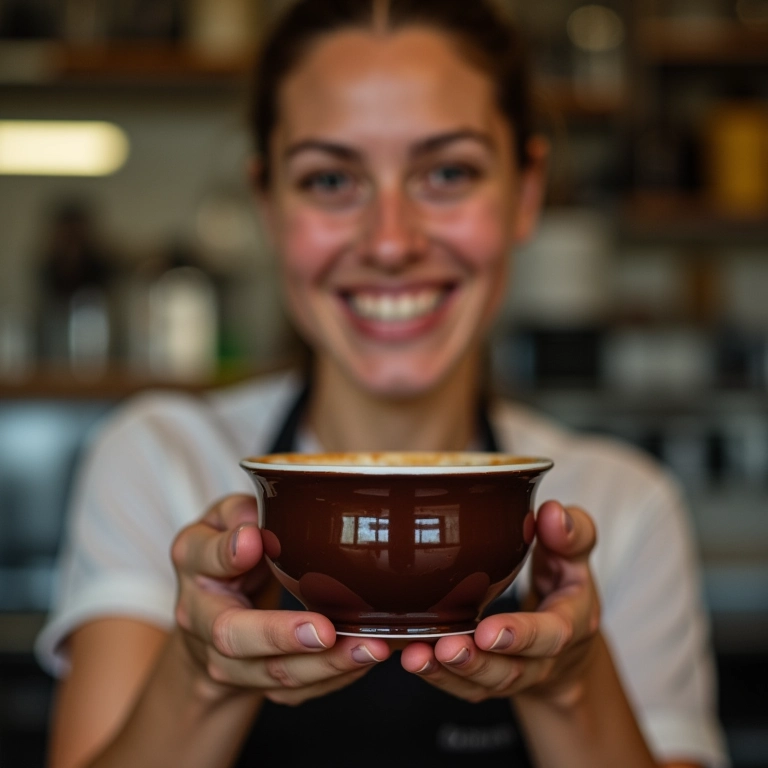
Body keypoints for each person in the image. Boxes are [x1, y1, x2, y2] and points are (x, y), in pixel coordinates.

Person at [35, 1, 730, 767]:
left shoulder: (626, 506)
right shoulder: (163, 458)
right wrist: (204, 672)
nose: (391, 241)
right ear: (268, 203)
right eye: (331, 178)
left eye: (447, 172)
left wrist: (568, 683)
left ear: (526, 192)